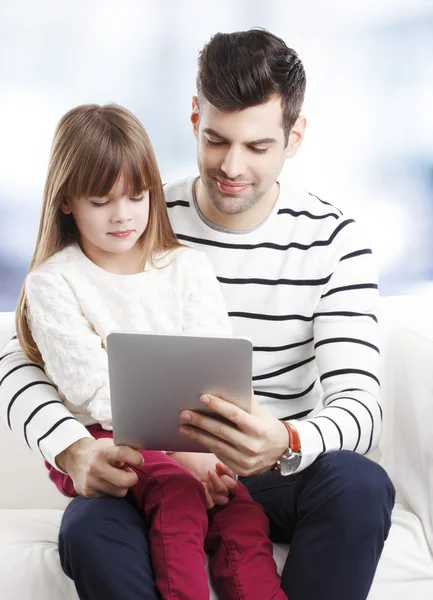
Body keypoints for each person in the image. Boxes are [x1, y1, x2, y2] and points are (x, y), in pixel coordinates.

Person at [0, 29, 395, 600]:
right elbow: (21, 358)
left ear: (295, 135)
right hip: (155, 460)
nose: (232, 165)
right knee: (89, 528)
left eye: (258, 146)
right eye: (216, 140)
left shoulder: (333, 242)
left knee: (359, 486)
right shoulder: (133, 211)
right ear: (193, 118)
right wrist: (72, 447)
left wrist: (283, 440)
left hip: (274, 469)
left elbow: (361, 407)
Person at [12, 102, 288, 600]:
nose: (123, 216)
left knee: (242, 514)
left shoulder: (186, 268)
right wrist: (184, 456)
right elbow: (93, 388)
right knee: (178, 495)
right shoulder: (53, 281)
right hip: (105, 436)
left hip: (194, 434)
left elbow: (215, 372)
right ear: (67, 201)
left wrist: (206, 449)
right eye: (101, 201)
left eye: (137, 197)